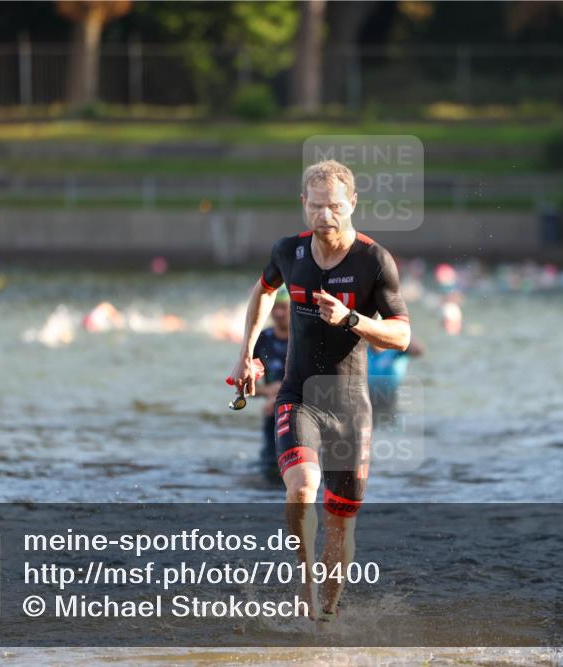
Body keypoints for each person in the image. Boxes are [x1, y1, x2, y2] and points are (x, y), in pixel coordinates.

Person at [230, 159, 411, 621]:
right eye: (316, 206)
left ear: (351, 203)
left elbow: (402, 335)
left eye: (334, 206)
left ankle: (324, 620)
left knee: (340, 525)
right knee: (302, 487)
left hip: (350, 406)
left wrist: (352, 319)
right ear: (303, 205)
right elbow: (264, 291)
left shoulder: (373, 260)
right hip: (300, 397)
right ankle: (304, 583)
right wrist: (246, 353)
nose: (325, 216)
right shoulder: (289, 252)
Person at [252, 287, 291, 481]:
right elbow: (246, 388)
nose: (278, 313)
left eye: (283, 307)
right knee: (269, 474)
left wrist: (281, 394)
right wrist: (268, 391)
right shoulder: (262, 340)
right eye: (274, 308)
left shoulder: (305, 338)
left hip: (305, 413)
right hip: (273, 415)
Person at [368, 337, 424, 419]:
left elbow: (418, 351)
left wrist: (401, 332)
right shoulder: (361, 348)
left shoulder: (396, 349)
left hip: (389, 397)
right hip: (366, 396)